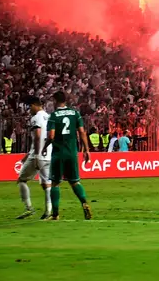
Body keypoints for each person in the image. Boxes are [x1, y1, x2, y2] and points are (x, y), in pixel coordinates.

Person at [42, 90, 93, 221]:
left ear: (55, 101)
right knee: (75, 181)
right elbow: (82, 132)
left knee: (55, 183)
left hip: (58, 153)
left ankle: (55, 214)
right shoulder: (75, 113)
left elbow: (51, 136)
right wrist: (86, 150)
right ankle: (84, 203)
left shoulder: (53, 116)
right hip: (72, 152)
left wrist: (45, 146)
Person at [16, 96, 53, 220]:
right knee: (46, 184)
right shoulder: (48, 116)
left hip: (38, 155)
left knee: (22, 180)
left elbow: (37, 136)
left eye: (29, 107)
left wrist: (36, 155)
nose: (28, 110)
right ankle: (48, 211)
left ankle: (29, 209)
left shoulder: (36, 117)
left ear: (33, 105)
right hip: (49, 154)